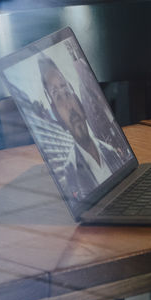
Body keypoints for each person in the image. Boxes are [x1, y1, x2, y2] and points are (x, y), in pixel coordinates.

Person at [40, 55, 114, 197]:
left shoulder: (109, 151)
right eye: (58, 97)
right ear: (59, 118)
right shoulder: (71, 173)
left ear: (80, 104)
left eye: (67, 91)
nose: (69, 106)